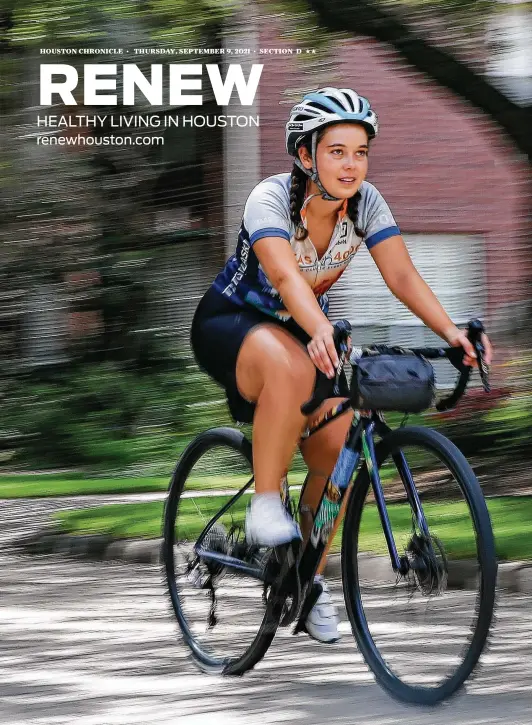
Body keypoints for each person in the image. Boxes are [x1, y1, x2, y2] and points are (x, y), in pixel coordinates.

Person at [190, 87, 493, 644]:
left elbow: (401, 276)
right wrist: (322, 327)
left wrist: (452, 333)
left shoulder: (367, 204)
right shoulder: (270, 199)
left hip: (308, 332)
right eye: (337, 151)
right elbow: (283, 278)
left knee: (338, 456)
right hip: (230, 325)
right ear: (306, 155)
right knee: (288, 367)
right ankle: (263, 506)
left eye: (360, 151)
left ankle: (303, 577)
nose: (352, 164)